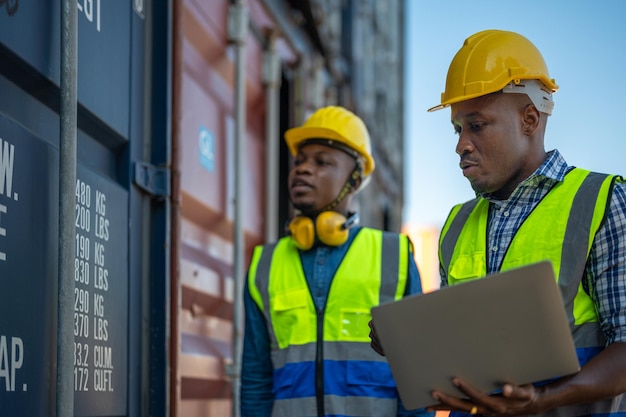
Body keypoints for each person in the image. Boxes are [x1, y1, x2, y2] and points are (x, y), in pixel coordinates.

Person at [370, 29, 626, 416]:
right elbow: (466, 353)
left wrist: (542, 401)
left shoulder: (601, 200)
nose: (461, 145)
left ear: (529, 119)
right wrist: (410, 345)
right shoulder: (456, 224)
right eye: (458, 129)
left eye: (477, 125)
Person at [240, 105, 434, 417]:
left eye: (322, 162)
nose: (303, 169)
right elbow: (255, 377)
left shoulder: (394, 255)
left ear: (355, 180)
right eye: (300, 161)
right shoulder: (265, 263)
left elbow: (415, 372)